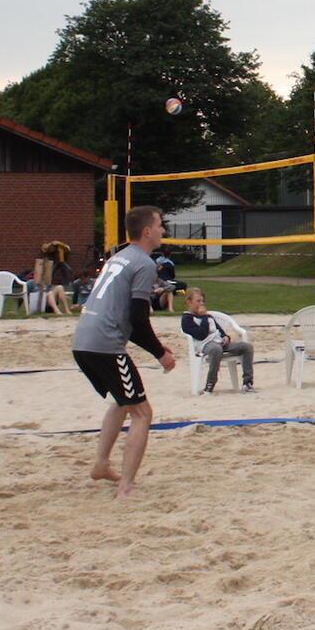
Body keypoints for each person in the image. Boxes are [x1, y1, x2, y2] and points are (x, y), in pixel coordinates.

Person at [71, 205, 178, 499]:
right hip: (105, 345)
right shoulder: (144, 264)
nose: (162, 231)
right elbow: (138, 319)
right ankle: (126, 486)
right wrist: (160, 353)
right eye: (159, 225)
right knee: (142, 412)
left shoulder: (117, 258)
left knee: (122, 401)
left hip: (82, 341)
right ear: (147, 231)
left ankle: (102, 465)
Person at [179, 287, 257, 392]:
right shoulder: (187, 319)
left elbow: (218, 329)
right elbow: (201, 334)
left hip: (219, 342)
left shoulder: (208, 316)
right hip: (204, 344)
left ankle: (247, 382)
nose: (201, 304)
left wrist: (226, 337)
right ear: (189, 302)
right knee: (216, 349)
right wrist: (204, 317)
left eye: (203, 301)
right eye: (198, 301)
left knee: (246, 347)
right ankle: (210, 383)